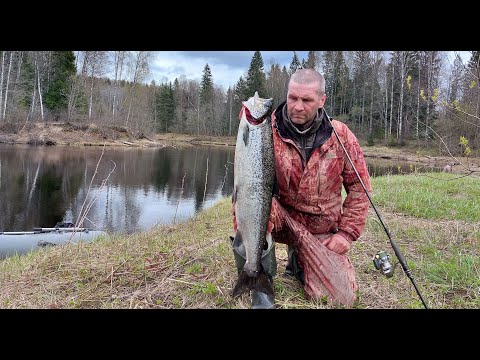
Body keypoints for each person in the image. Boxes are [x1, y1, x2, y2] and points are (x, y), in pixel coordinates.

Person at [231, 68, 372, 309]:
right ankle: (259, 285)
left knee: (340, 299)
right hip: (277, 218)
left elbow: (359, 189)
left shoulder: (341, 137)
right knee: (251, 206)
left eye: (306, 100)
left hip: (320, 229)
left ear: (321, 100)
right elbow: (247, 180)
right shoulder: (266, 128)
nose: (297, 106)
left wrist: (346, 234)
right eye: (293, 97)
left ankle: (300, 262)